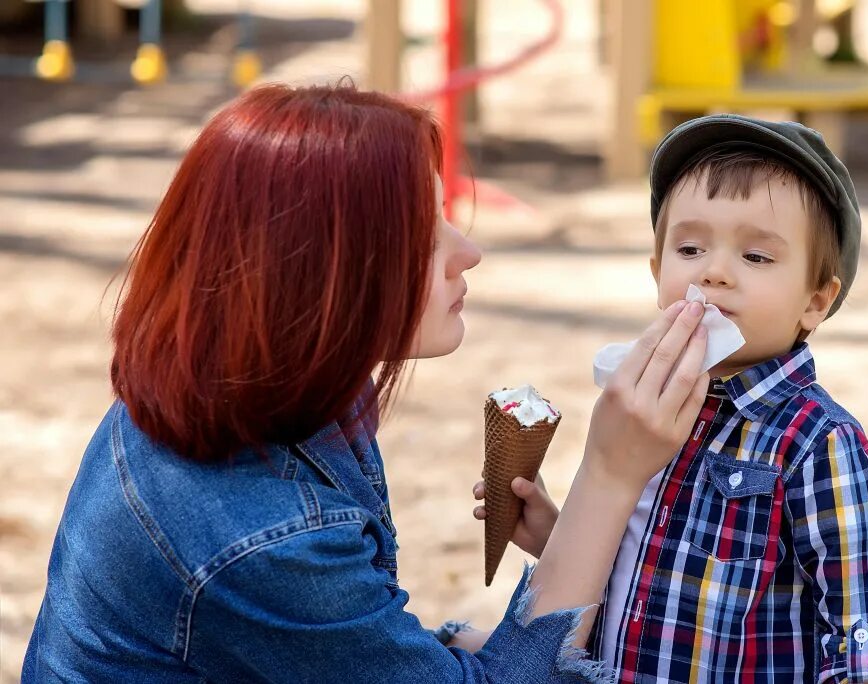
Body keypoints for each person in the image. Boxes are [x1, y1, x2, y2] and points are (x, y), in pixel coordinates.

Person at [21, 83, 713, 683]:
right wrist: (611, 473)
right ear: (323, 271)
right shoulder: (264, 537)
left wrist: (444, 651)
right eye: (422, 233)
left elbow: (308, 644)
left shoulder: (248, 388)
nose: (467, 251)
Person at [476, 115, 868, 682]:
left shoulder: (821, 446)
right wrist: (564, 538)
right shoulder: (643, 410)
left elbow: (866, 647)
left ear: (815, 301)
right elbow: (656, 580)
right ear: (657, 271)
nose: (714, 272)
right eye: (689, 248)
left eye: (756, 257)